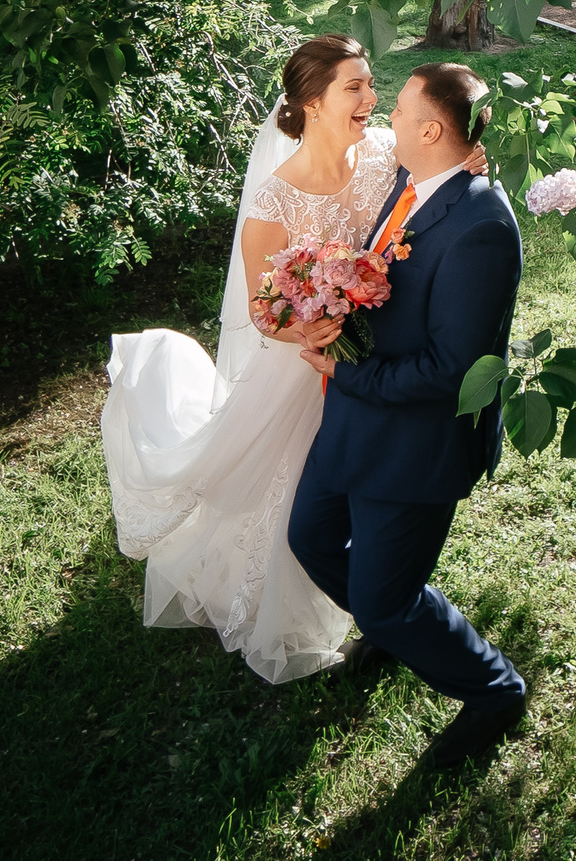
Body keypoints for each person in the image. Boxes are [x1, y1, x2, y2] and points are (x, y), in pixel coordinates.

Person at [97, 36, 485, 683]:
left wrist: (468, 160)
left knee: (370, 505)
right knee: (297, 517)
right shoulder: (274, 200)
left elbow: (433, 183)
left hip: (383, 362)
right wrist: (313, 323)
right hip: (306, 369)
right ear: (312, 103)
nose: (372, 98)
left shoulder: (385, 155)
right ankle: (370, 611)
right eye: (355, 87)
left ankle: (388, 611)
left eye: (371, 84)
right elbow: (262, 309)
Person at [285, 61, 529, 771]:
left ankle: (494, 691)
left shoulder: (482, 228)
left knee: (383, 600)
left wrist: (345, 370)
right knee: (310, 537)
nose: (386, 116)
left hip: (415, 442)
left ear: (429, 131)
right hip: (358, 418)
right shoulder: (411, 176)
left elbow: (452, 370)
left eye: (398, 109)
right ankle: (393, 625)